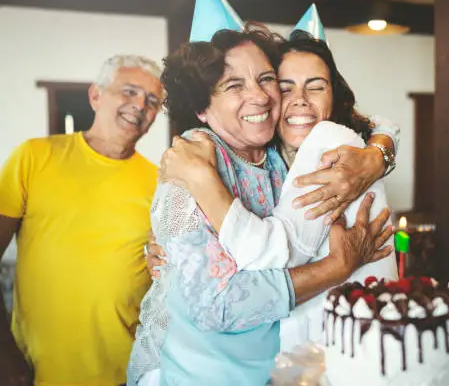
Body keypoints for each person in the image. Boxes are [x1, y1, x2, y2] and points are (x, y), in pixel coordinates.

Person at [127, 28, 396, 386]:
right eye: (234, 85)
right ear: (202, 108)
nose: (259, 95)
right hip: (191, 373)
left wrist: (378, 153)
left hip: (271, 371)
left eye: (266, 79)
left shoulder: (279, 153)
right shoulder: (191, 163)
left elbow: (363, 123)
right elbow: (217, 307)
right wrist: (336, 267)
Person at [0, 55, 164, 386]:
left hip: (130, 371)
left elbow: (166, 274)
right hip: (36, 371)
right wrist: (5, 356)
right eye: (129, 92)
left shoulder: (161, 182)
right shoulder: (33, 157)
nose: (140, 106)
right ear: (95, 96)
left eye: (152, 101)